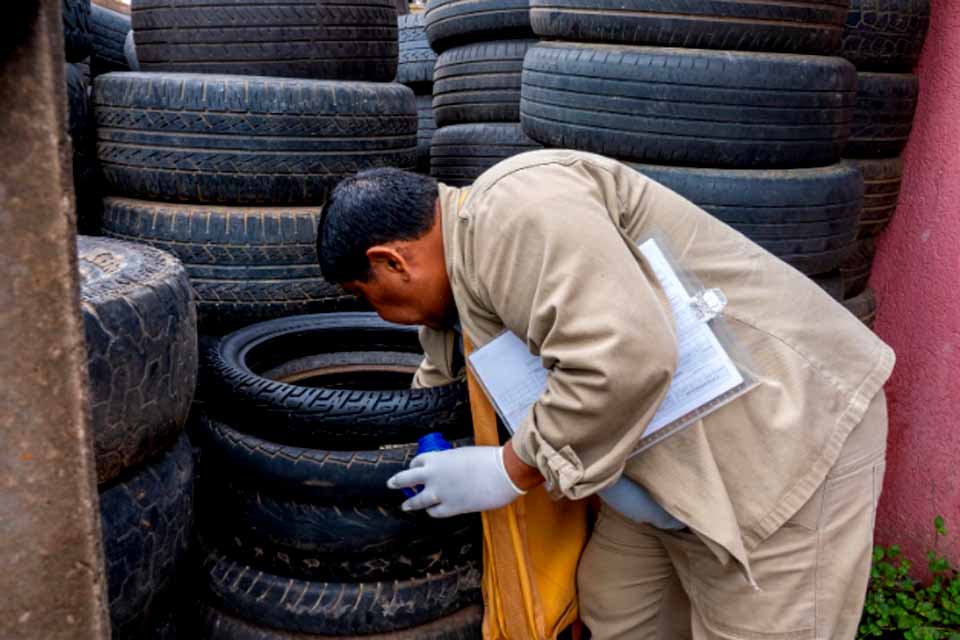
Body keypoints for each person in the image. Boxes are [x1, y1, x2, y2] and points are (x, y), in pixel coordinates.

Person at [316, 150, 894, 639]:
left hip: (779, 442)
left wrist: (509, 469)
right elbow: (440, 374)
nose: (380, 318)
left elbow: (625, 358)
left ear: (390, 260)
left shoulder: (515, 211)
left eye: (369, 298)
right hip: (665, 473)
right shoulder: (462, 280)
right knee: (617, 606)